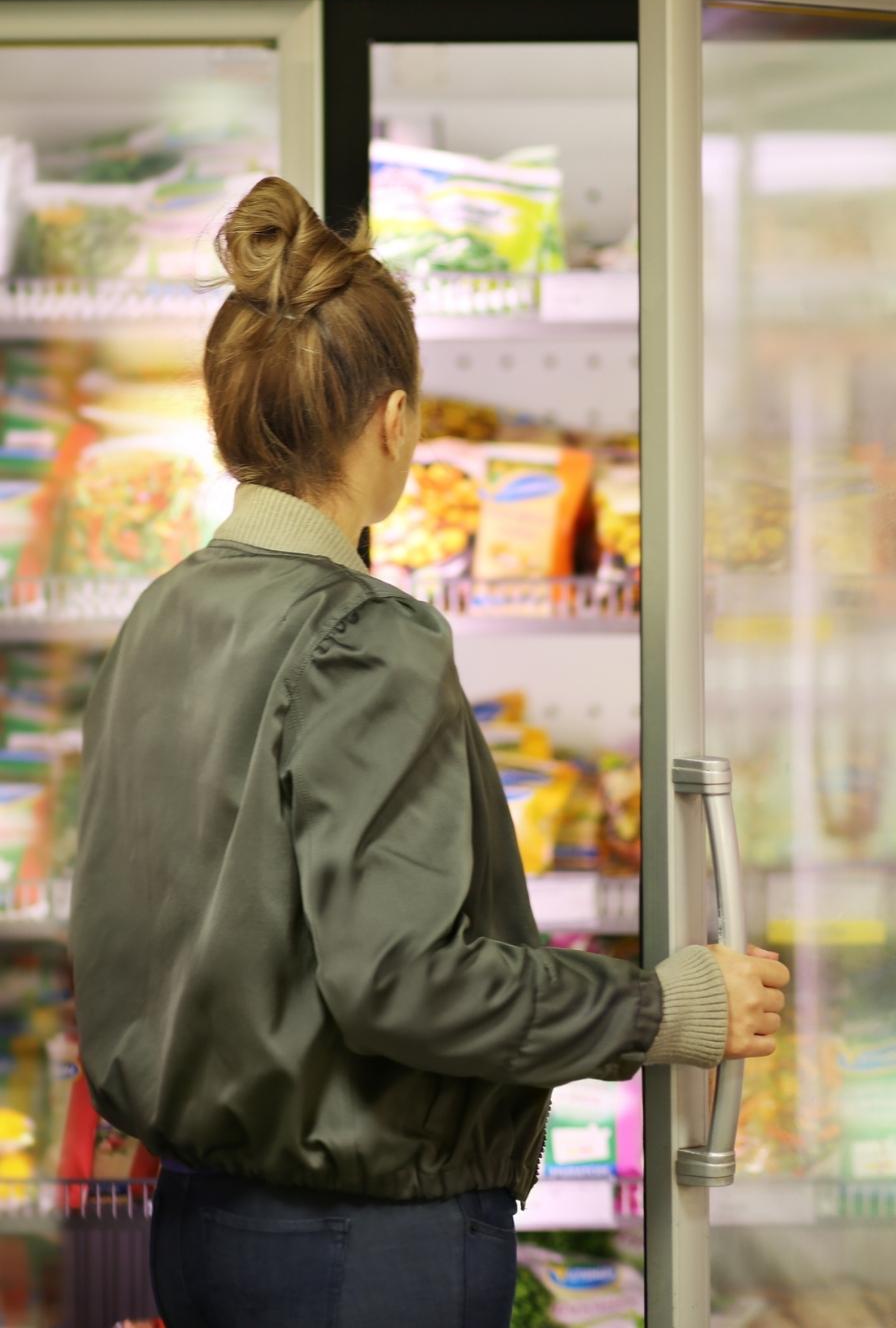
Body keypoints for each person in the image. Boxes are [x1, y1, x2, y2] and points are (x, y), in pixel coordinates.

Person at [71, 178, 789, 1328]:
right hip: (361, 1250)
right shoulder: (363, 634)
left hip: (204, 1228)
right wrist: (656, 1010)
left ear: (230, 424)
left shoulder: (162, 614)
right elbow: (400, 980)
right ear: (393, 421)